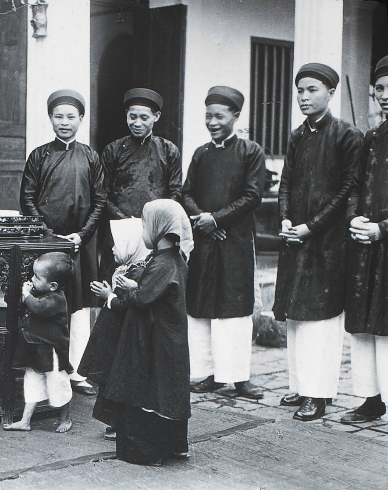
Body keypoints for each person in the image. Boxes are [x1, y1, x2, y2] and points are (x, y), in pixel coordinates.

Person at [273, 63, 364, 421]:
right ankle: (300, 385)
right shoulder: (297, 135)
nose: (304, 97)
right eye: (300, 90)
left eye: (312, 90)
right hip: (296, 238)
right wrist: (285, 217)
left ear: (330, 92)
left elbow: (347, 190)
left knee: (321, 320)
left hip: (327, 242)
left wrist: (312, 226)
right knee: (296, 317)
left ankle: (320, 393)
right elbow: (286, 182)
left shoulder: (346, 135)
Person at [20, 89, 107, 397]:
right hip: (49, 245)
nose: (65, 122)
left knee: (79, 307)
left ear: (81, 119)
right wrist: (49, 234)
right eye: (59, 116)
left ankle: (79, 372)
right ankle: (48, 369)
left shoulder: (90, 156)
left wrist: (82, 235)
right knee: (48, 306)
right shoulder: (39, 156)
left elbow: (100, 200)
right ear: (50, 119)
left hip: (80, 244)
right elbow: (27, 199)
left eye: (71, 117)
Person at [181, 86, 266, 400]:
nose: (213, 121)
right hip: (205, 241)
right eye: (208, 115)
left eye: (219, 115)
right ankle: (210, 374)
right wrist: (202, 218)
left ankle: (239, 378)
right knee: (202, 305)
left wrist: (217, 219)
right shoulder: (201, 153)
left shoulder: (250, 152)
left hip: (235, 242)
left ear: (236, 116)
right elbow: (185, 192)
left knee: (234, 307)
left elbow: (252, 195)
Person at [102, 199, 193, 466]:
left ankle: (149, 451)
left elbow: (142, 300)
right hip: (168, 336)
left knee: (149, 390)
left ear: (158, 228)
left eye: (145, 225)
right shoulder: (172, 259)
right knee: (168, 390)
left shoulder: (163, 263)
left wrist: (117, 293)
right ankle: (175, 446)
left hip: (158, 338)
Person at [342, 56, 388, 424]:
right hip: (365, 246)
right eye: (381, 89)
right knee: (362, 323)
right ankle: (370, 398)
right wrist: (354, 217)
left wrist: (382, 229)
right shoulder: (372, 137)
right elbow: (354, 184)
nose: (385, 96)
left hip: (384, 241)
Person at [99, 88, 182, 280]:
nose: (137, 123)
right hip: (120, 229)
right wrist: (124, 219)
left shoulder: (168, 150)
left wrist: (155, 223)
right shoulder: (113, 150)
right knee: (115, 282)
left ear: (156, 116)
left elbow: (175, 192)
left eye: (144, 117)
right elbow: (102, 193)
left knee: (149, 284)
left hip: (155, 232)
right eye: (132, 116)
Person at [80, 218, 150, 441]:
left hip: (122, 337)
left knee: (117, 380)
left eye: (117, 244)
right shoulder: (128, 268)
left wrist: (107, 296)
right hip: (115, 334)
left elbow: (125, 305)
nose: (112, 248)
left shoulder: (137, 273)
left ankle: (121, 424)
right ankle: (114, 422)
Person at [4, 252, 74, 433]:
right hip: (33, 347)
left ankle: (66, 417)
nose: (32, 279)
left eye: (37, 277)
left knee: (58, 383)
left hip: (51, 350)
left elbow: (38, 308)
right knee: (31, 381)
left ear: (53, 286)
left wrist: (26, 295)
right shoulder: (40, 292)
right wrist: (27, 296)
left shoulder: (57, 299)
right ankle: (25, 420)